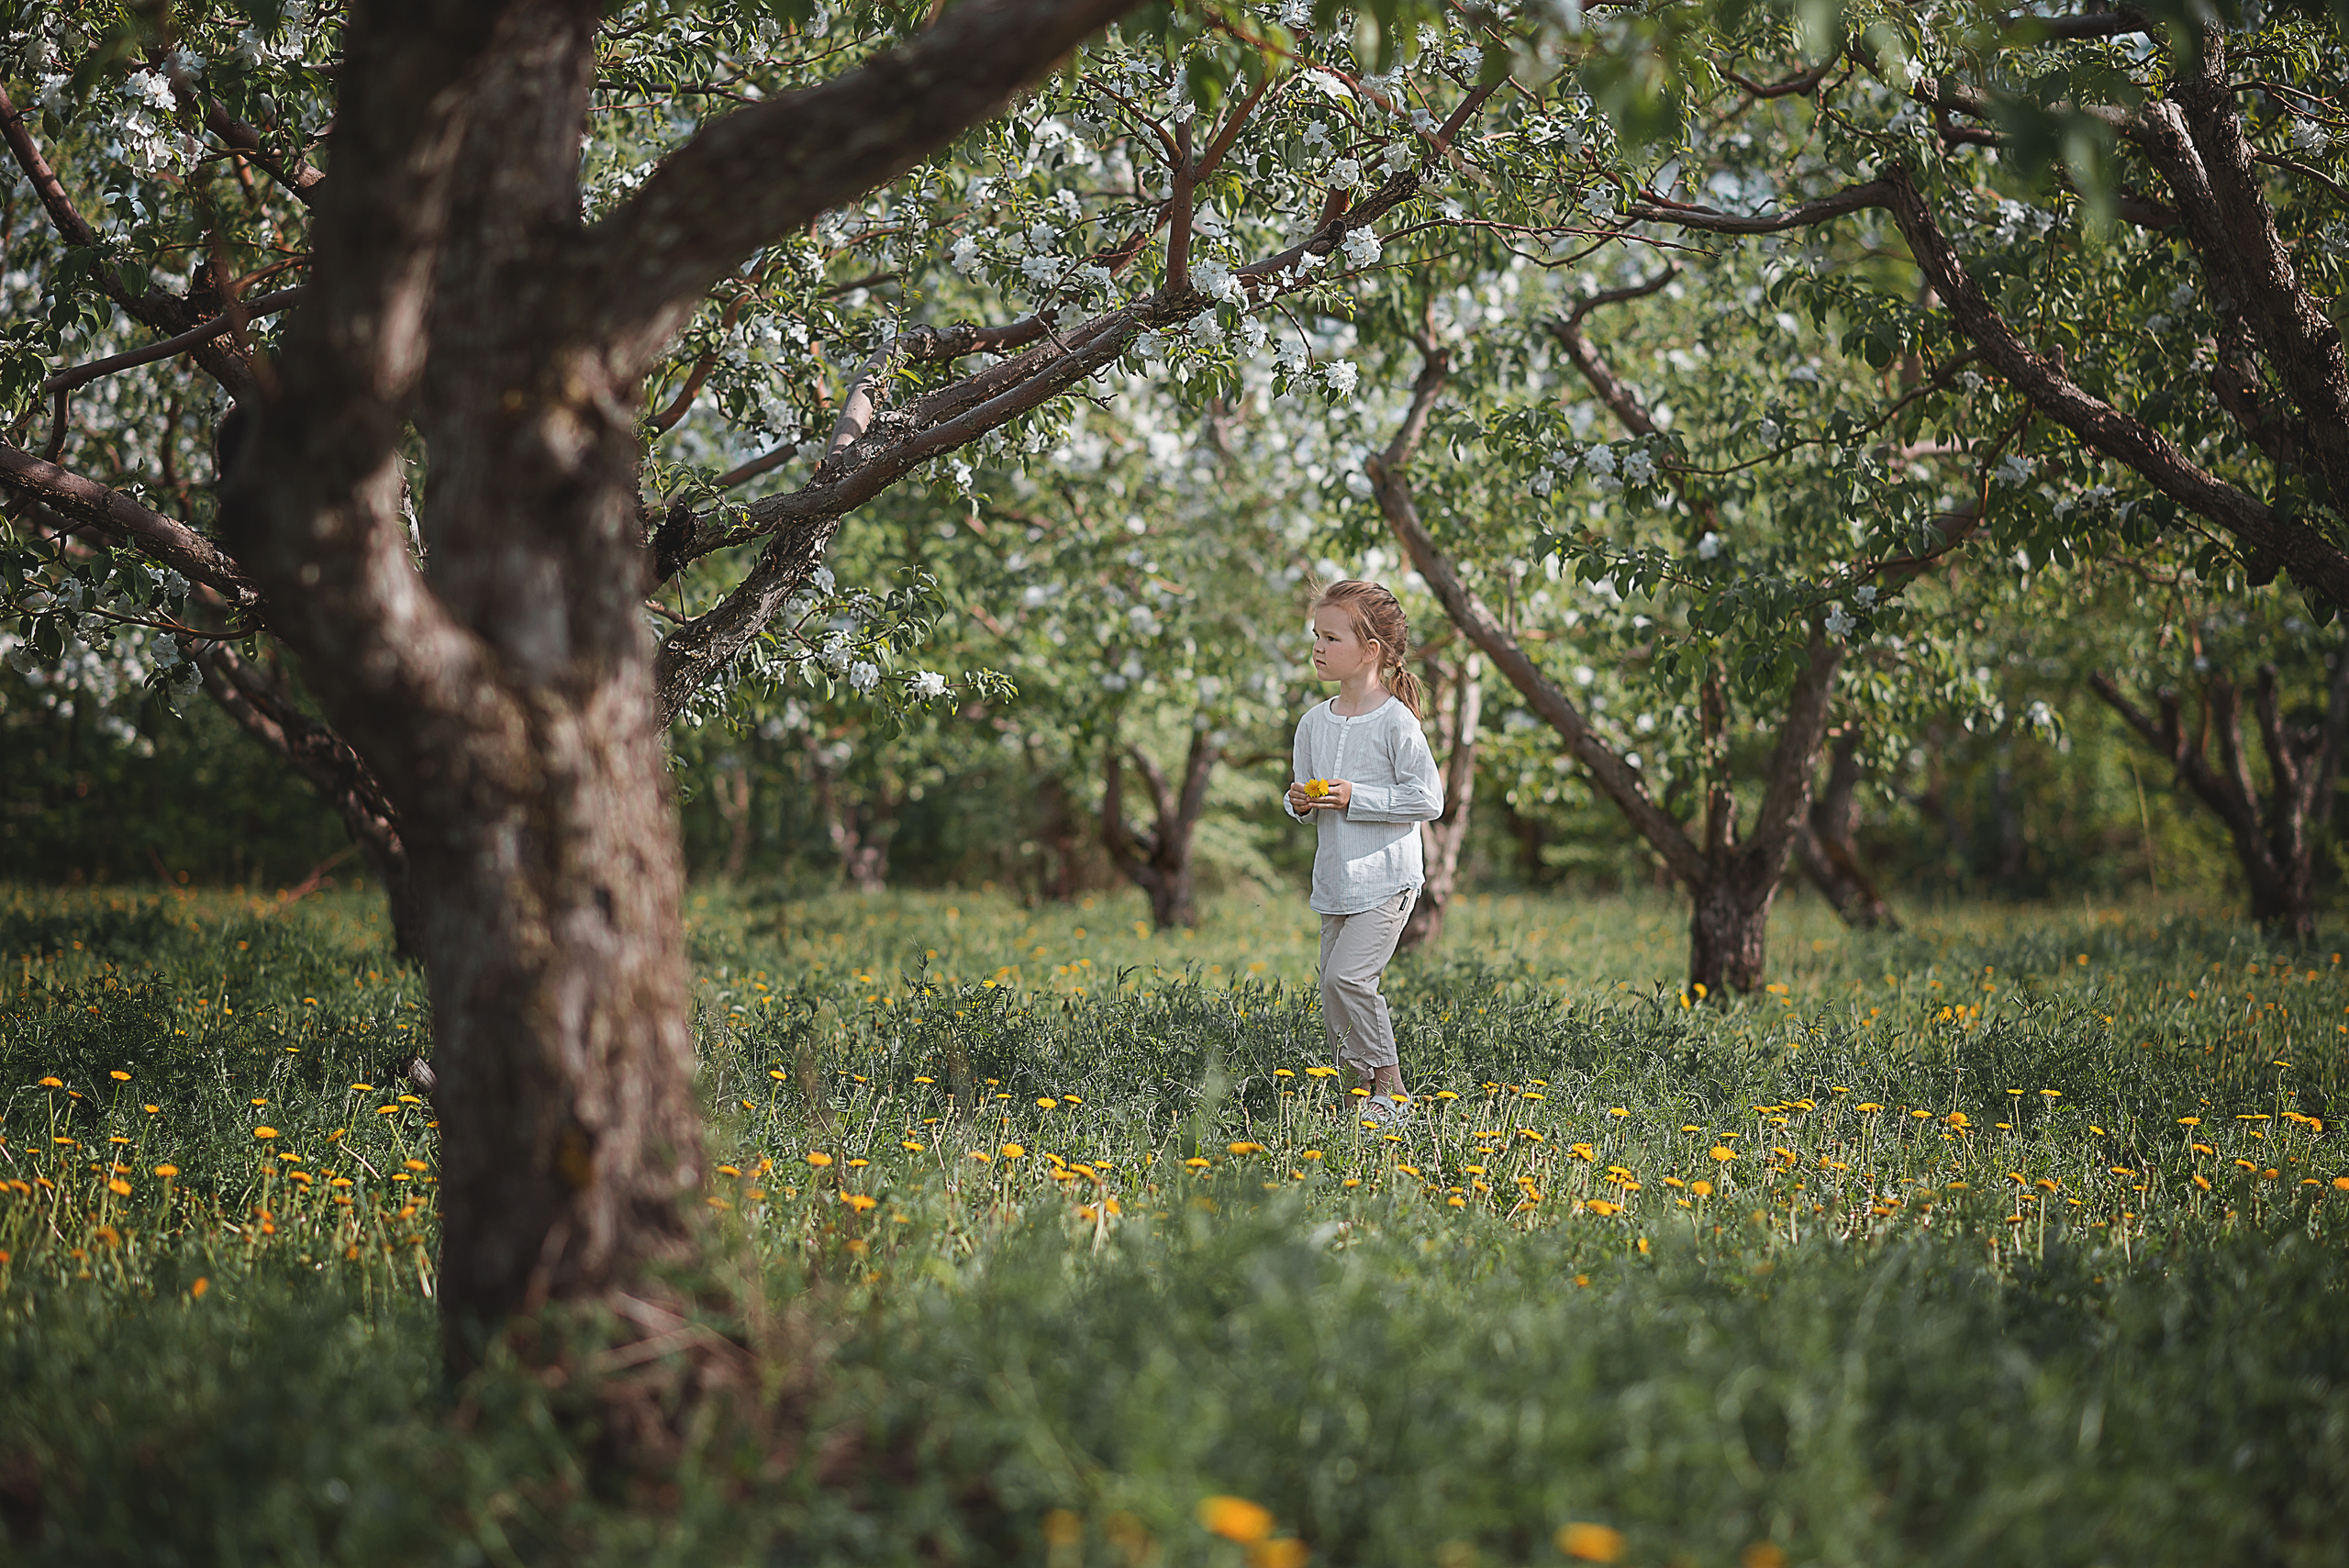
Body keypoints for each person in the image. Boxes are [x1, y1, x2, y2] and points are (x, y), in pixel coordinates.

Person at [1284, 580, 1444, 1128]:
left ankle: (1394, 1090)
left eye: (1331, 637)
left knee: (1349, 980)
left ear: (1370, 651)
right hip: (1335, 879)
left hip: (1387, 879)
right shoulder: (1313, 722)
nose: (1318, 647)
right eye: (1316, 636)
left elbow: (1429, 799)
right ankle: (1358, 1098)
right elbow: (1301, 792)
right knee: (1332, 993)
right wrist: (1300, 802)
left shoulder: (1397, 721)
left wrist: (1357, 797)